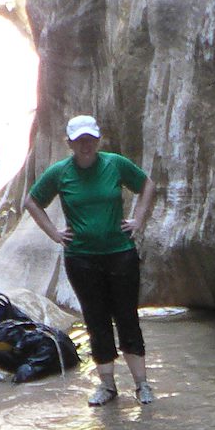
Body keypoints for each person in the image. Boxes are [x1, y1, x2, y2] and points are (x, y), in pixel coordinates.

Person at [24, 115, 158, 407]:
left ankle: (142, 385)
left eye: (91, 139)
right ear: (69, 142)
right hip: (81, 257)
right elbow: (32, 201)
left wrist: (139, 219)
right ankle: (107, 386)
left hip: (120, 253)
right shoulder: (60, 172)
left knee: (127, 318)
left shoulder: (115, 164)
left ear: (98, 140)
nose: (86, 145)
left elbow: (147, 185)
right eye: (80, 140)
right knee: (96, 319)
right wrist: (54, 233)